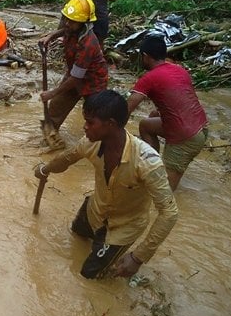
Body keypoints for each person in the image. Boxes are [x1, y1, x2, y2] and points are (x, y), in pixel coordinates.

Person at [34, 90, 178, 279]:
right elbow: (67, 159)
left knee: (89, 277)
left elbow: (169, 213)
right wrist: (45, 169)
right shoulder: (90, 143)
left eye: (90, 123)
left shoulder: (147, 162)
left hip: (122, 227)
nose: (85, 127)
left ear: (110, 124)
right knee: (76, 235)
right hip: (94, 210)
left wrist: (138, 258)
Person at [127, 32, 208, 190]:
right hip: (201, 128)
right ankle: (153, 164)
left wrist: (112, 130)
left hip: (184, 138)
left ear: (145, 56)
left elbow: (130, 105)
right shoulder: (179, 70)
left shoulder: (149, 78)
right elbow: (182, 101)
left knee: (163, 192)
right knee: (146, 125)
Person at [38, 0, 108, 145]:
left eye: (72, 21)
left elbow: (76, 78)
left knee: (94, 117)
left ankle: (99, 146)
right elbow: (65, 30)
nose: (67, 23)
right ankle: (49, 138)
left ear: (84, 23)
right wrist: (51, 36)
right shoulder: (73, 27)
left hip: (93, 83)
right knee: (56, 107)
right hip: (74, 76)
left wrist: (51, 92)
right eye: (66, 19)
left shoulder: (88, 43)